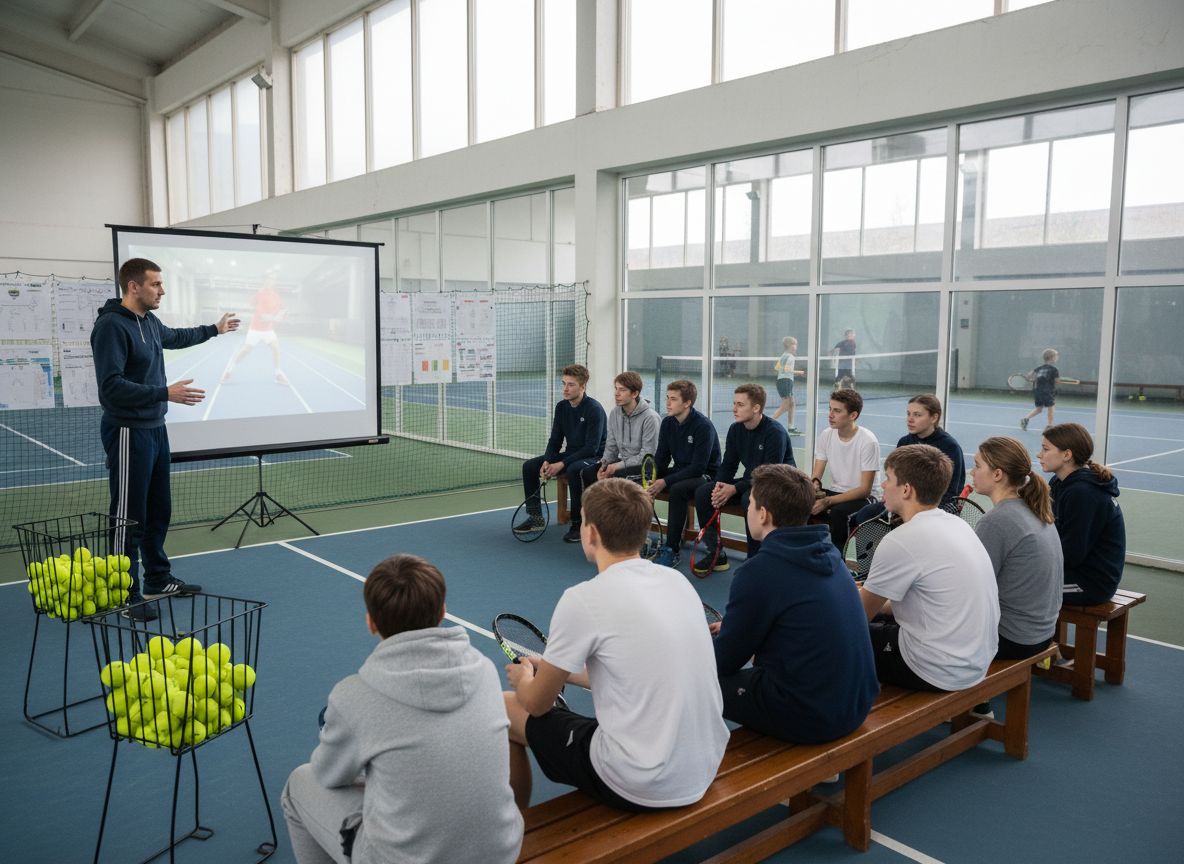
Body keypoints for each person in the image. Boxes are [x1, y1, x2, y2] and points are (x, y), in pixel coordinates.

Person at [503, 479, 728, 811]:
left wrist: (524, 682)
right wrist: (562, 674)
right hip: (706, 763)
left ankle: (515, 833)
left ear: (591, 534)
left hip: (643, 782)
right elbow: (634, 671)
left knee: (506, 707)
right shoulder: (677, 581)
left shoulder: (582, 599)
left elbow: (537, 705)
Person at [283, 554, 522, 864]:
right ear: (443, 611)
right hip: (500, 852)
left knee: (298, 784)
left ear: (371, 623)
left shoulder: (352, 696)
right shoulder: (486, 669)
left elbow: (329, 775)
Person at [90, 258, 239, 620]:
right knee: (128, 515)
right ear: (133, 287)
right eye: (156, 284)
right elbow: (110, 388)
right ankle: (124, 592)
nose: (162, 290)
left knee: (159, 510)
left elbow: (176, 337)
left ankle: (157, 578)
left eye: (161, 283)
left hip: (155, 429)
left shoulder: (149, 322)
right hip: (127, 431)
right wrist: (163, 393)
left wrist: (214, 329)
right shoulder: (111, 327)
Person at [712, 464, 878, 743]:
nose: (749, 509)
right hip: (857, 703)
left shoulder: (758, 571)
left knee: (697, 681)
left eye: (751, 504)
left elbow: (724, 661)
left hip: (814, 717)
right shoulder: (829, 553)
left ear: (763, 514)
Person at [859, 445, 1000, 691]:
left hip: (935, 670)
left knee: (834, 638)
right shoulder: (958, 524)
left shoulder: (900, 540)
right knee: (883, 624)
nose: (882, 486)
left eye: (888, 479)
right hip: (977, 661)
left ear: (906, 490)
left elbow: (857, 617)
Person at [970, 436, 1063, 717]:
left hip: (1013, 638)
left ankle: (970, 701)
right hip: (1042, 632)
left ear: (997, 474)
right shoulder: (1034, 510)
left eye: (977, 466)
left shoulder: (996, 521)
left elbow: (970, 591)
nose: (972, 472)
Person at [691, 384, 791, 576]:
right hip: (753, 481)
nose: (734, 409)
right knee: (704, 492)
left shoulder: (774, 433)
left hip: (778, 485)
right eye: (734, 403)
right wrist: (719, 486)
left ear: (756, 408)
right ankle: (715, 552)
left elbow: (768, 475)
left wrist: (734, 489)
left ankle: (755, 558)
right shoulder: (736, 429)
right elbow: (728, 464)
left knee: (749, 499)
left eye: (740, 404)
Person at [514, 364, 606, 539]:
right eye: (563, 383)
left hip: (595, 457)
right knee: (530, 466)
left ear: (583, 386)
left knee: (574, 469)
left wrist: (561, 464)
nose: (565, 388)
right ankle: (535, 518)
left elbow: (591, 447)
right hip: (572, 454)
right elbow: (555, 439)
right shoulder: (561, 407)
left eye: (571, 384)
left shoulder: (594, 409)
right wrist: (548, 462)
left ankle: (579, 525)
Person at [1037, 423, 1126, 606]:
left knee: (1020, 587)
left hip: (1091, 582)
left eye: (1045, 449)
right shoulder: (1060, 483)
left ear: (1067, 455)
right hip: (1074, 570)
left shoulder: (1083, 493)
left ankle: (1038, 636)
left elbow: (1071, 553)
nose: (1039, 454)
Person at [852, 394, 965, 526]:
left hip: (932, 508)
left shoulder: (950, 447)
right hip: (903, 501)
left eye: (917, 415)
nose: (910, 419)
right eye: (908, 414)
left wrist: (914, 511)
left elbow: (952, 491)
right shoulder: (904, 442)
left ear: (934, 417)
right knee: (863, 515)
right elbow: (896, 479)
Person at [573, 371, 660, 543]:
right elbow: (611, 446)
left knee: (618, 477)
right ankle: (593, 526)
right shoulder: (614, 413)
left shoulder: (651, 418)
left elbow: (647, 455)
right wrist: (604, 466)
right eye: (616, 389)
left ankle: (630, 533)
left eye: (622, 390)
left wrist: (616, 467)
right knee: (588, 473)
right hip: (621, 463)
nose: (616, 393)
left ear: (634, 394)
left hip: (645, 467)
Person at [647, 380, 721, 569]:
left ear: (687, 403)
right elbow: (662, 458)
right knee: (643, 481)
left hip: (706, 475)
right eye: (667, 398)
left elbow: (698, 467)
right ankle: (640, 540)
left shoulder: (703, 426)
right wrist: (654, 476)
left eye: (673, 399)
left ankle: (672, 549)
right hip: (682, 470)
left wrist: (665, 481)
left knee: (678, 489)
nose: (668, 403)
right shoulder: (667, 422)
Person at [810, 389, 881, 551]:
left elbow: (865, 490)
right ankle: (812, 556)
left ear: (853, 415)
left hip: (866, 499)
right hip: (838, 493)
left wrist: (827, 501)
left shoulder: (868, 441)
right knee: (801, 503)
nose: (830, 414)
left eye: (837, 411)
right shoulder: (826, 435)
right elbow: (817, 475)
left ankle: (837, 564)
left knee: (837, 513)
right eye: (830, 409)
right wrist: (814, 484)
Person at [221, 271, 288, 385]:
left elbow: (282, 309)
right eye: (269, 278)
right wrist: (274, 318)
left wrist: (280, 315)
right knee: (244, 351)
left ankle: (277, 374)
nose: (271, 281)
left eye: (273, 279)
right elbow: (262, 317)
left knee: (276, 349)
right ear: (265, 280)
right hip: (256, 329)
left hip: (268, 330)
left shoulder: (276, 296)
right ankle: (228, 371)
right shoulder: (260, 293)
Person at [771, 336, 805, 435]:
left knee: (792, 403)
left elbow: (777, 368)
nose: (796, 347)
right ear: (790, 345)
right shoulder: (790, 356)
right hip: (785, 381)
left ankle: (791, 427)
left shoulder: (783, 355)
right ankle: (768, 422)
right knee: (786, 405)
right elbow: (786, 370)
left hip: (783, 381)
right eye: (794, 344)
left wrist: (786, 371)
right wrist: (798, 372)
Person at [1021, 348, 1060, 432]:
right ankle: (1050, 425)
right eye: (1056, 356)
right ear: (1052, 357)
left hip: (1038, 391)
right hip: (1047, 392)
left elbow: (1029, 376)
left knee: (1039, 409)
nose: (1057, 358)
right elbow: (1057, 381)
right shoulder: (1054, 370)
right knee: (1051, 408)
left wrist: (1032, 379)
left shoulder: (1038, 368)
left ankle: (1025, 418)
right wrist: (1059, 380)